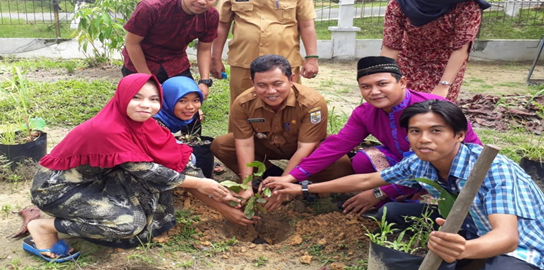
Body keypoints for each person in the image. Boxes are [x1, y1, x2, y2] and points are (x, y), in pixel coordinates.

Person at [266, 100, 544, 270]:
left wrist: (462, 250)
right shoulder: (420, 161)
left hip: (521, 242)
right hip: (464, 225)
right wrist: (301, 187)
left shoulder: (492, 169)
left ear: (459, 135)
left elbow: (507, 237)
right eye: (415, 131)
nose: (424, 139)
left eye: (436, 131)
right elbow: (366, 180)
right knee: (391, 212)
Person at [24, 74, 248, 263]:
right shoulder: (108, 129)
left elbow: (179, 159)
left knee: (153, 209)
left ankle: (90, 217)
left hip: (97, 180)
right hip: (57, 190)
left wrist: (222, 199)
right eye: (136, 97)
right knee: (128, 224)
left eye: (153, 99)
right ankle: (45, 227)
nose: (146, 105)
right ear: (122, 98)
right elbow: (148, 171)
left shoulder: (146, 124)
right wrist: (202, 183)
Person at [265, 56, 481, 215]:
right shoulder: (365, 113)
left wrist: (380, 192)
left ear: (402, 82)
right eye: (366, 87)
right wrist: (291, 178)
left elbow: (474, 156)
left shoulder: (434, 110)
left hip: (446, 173)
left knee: (404, 210)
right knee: (363, 159)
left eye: (382, 84)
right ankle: (393, 200)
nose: (374, 92)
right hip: (406, 166)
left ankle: (404, 201)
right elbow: (336, 146)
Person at [211, 54, 353, 210]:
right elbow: (245, 145)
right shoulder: (243, 103)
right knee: (222, 145)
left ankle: (303, 184)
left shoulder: (312, 103)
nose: (270, 91)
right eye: (262, 85)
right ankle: (268, 176)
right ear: (252, 83)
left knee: (341, 165)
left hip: (305, 149)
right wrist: (246, 184)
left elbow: (304, 148)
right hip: (266, 145)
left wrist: (284, 183)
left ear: (291, 79)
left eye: (277, 83)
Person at [211, 0, 319, 105]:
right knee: (243, 106)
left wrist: (312, 58)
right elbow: (221, 26)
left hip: (285, 65)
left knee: (288, 107)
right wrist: (215, 59)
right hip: (244, 63)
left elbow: (307, 25)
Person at [380, 0, 491, 101]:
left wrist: (444, 86)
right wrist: (383, 79)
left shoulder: (466, 5)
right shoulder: (400, 3)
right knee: (396, 114)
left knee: (434, 118)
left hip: (445, 69)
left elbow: (461, 49)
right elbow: (391, 45)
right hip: (405, 66)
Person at [122, 0, 224, 98]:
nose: (202, 1)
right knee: (147, 106)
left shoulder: (211, 15)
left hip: (176, 64)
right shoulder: (152, 7)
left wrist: (204, 81)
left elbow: (204, 49)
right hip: (140, 62)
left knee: (188, 109)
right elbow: (132, 43)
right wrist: (149, 80)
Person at [154, 76, 215, 178]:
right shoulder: (154, 124)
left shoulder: (165, 117)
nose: (190, 106)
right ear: (167, 100)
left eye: (196, 100)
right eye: (182, 101)